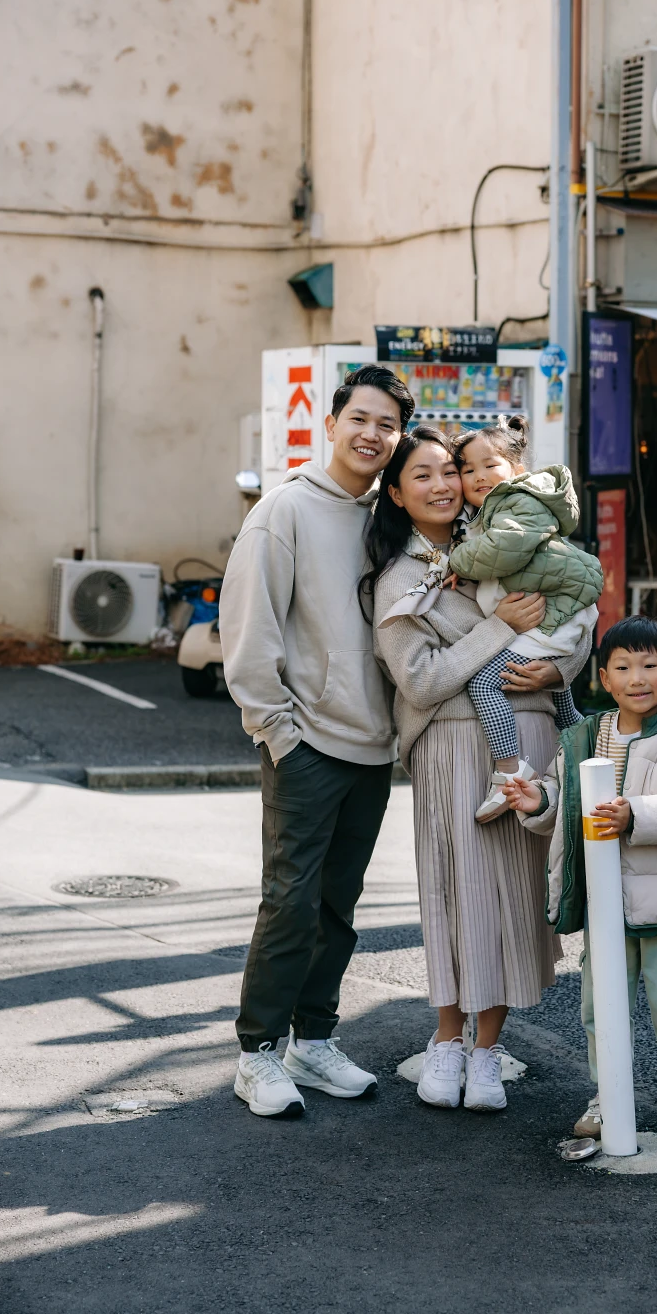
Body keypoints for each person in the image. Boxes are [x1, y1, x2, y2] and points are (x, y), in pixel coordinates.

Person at [366, 427, 593, 1113]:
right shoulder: (401, 577)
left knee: (513, 898)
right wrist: (497, 631)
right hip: (449, 744)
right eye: (424, 475)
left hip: (527, 734)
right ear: (399, 495)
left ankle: (488, 1050)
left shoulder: (504, 542)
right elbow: (421, 682)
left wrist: (559, 666)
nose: (442, 485)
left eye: (449, 472)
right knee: (453, 892)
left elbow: (572, 617)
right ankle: (445, 1040)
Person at [219, 364, 414, 1119]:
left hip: (371, 748)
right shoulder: (285, 511)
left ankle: (314, 1040)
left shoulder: (386, 518)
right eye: (360, 419)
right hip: (304, 746)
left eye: (387, 426)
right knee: (289, 903)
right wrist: (279, 733)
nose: (372, 435)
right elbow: (248, 632)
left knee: (338, 906)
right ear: (330, 422)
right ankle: (257, 1053)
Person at [505, 615, 657, 1143]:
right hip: (605, 902)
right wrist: (540, 802)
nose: (637, 678)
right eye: (623, 667)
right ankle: (609, 1095)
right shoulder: (584, 735)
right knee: (601, 1008)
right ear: (603, 679)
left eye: (650, 666)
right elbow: (566, 799)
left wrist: (637, 816)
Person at [444, 415, 603, 824]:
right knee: (557, 688)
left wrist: (458, 560)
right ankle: (581, 736)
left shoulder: (517, 501)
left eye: (489, 465)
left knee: (484, 682)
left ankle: (510, 769)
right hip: (561, 607)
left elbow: (505, 551)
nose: (478, 476)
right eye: (467, 469)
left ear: (516, 470)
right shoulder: (504, 506)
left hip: (554, 611)